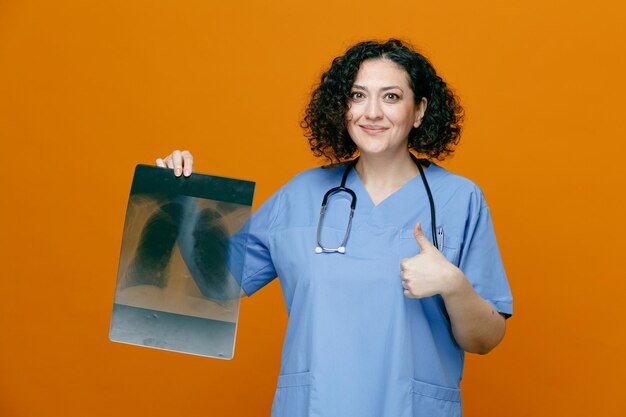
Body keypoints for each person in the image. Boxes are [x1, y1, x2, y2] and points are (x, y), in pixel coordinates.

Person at [156, 39, 512, 417]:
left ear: (419, 110)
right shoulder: (300, 195)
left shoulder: (459, 199)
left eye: (391, 97)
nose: (372, 112)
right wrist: (180, 197)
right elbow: (213, 284)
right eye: (358, 96)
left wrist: (454, 286)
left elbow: (485, 339)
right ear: (342, 108)